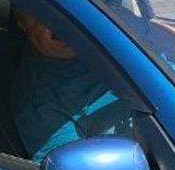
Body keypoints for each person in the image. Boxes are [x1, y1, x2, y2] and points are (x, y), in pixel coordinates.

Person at [10, 11, 132, 162]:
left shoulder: (117, 35)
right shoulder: (41, 106)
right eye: (40, 14)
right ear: (23, 26)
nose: (61, 24)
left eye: (63, 11)